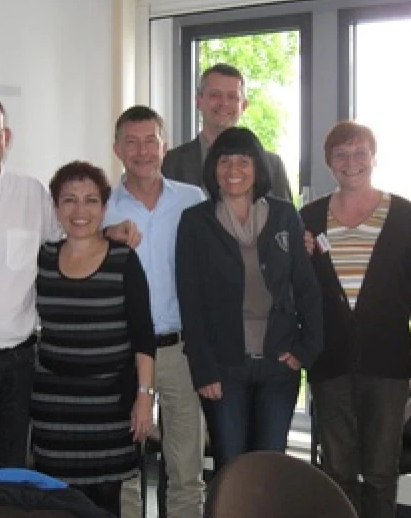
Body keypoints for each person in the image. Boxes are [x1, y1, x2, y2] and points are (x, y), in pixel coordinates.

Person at [0, 92, 138, 471]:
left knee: (9, 471)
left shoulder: (31, 194)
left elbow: (72, 236)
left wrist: (109, 232)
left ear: (7, 137)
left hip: (18, 364)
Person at [175, 126, 323, 472]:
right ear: (213, 168)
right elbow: (190, 300)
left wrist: (306, 348)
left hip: (278, 362)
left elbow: (306, 287)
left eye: (244, 160)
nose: (233, 169)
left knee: (270, 466)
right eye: (224, 161)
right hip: (224, 366)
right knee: (231, 466)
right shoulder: (196, 222)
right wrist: (203, 368)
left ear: (258, 167)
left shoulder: (284, 214)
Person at [299, 121, 411, 518]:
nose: (351, 162)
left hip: (387, 363)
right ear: (329, 162)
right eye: (341, 154)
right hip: (329, 361)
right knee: (337, 470)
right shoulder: (310, 218)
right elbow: (298, 289)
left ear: (373, 157)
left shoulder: (404, 215)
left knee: (382, 471)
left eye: (359, 152)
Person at [32, 161, 156, 517]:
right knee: (56, 503)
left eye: (90, 200)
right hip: (54, 406)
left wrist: (144, 399)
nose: (80, 210)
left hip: (110, 406)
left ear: (104, 208)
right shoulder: (42, 257)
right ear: (56, 208)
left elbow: (143, 337)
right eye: (69, 200)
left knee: (105, 503)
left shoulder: (123, 260)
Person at [104, 105, 206, 518]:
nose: (142, 151)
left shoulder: (192, 200)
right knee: (126, 472)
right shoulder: (102, 208)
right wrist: (103, 235)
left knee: (186, 470)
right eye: (132, 141)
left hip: (181, 350)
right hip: (124, 353)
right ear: (117, 148)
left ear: (164, 146)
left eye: (151, 141)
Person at [162, 63, 292, 201]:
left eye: (232, 97)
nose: (223, 103)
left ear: (244, 105)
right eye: (215, 95)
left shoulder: (273, 166)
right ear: (199, 101)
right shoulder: (170, 163)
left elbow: (287, 220)